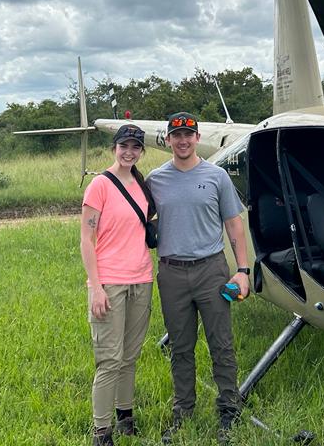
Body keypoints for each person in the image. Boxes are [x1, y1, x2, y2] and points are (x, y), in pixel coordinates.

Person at [146, 112, 250, 444]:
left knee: (221, 343)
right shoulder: (155, 179)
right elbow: (140, 221)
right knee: (180, 346)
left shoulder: (217, 176)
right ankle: (183, 411)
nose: (182, 140)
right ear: (168, 139)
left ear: (197, 137)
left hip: (211, 270)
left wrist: (243, 270)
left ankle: (229, 410)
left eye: (188, 135)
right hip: (172, 273)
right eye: (176, 135)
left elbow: (234, 224)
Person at [80, 124, 155, 446]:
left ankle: (126, 416)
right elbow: (86, 238)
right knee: (109, 359)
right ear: (114, 148)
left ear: (141, 151)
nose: (129, 152)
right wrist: (95, 286)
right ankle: (101, 430)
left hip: (141, 278)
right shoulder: (99, 185)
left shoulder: (142, 183)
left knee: (130, 356)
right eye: (124, 146)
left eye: (135, 147)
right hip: (110, 281)